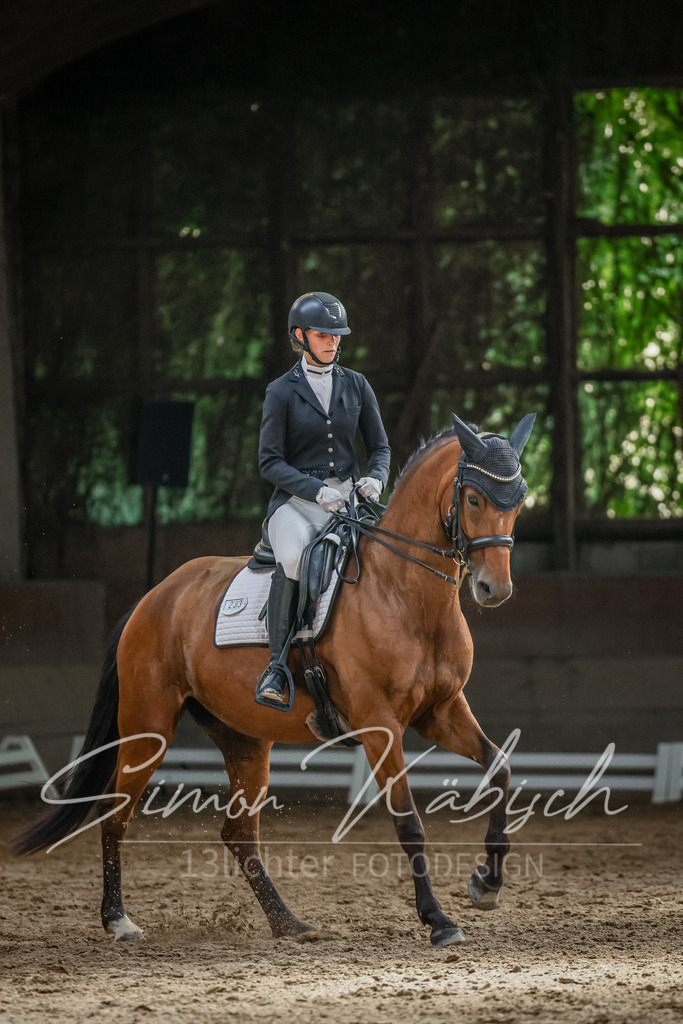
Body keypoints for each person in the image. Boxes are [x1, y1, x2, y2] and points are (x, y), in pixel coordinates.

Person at [255, 290, 391, 709]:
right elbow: (269, 461)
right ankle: (276, 667)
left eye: (337, 335)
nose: (332, 342)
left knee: (388, 552)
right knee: (296, 557)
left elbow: (381, 448)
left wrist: (375, 479)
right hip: (296, 503)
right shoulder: (281, 392)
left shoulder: (357, 384)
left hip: (350, 499)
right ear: (300, 335)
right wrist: (316, 491)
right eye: (322, 334)